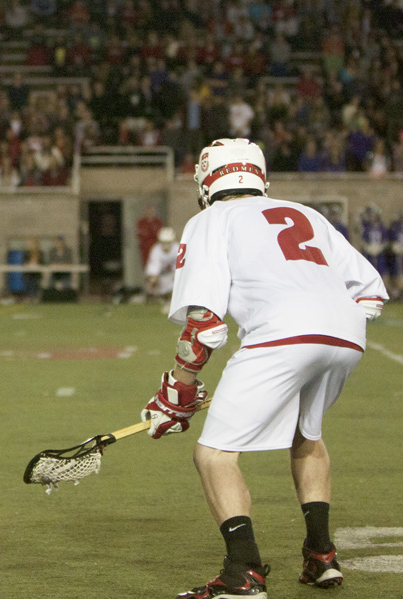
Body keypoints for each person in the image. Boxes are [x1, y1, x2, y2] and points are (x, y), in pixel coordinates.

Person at [141, 139, 387, 599]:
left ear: (206, 181)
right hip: (348, 332)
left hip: (282, 335)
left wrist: (177, 392)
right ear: (260, 178)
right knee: (305, 436)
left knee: (213, 455)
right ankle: (321, 557)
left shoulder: (210, 219)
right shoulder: (307, 213)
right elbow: (370, 293)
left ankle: (243, 572)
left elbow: (205, 324)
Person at [144, 226, 179, 304]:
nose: (166, 245)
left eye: (168, 242)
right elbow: (153, 271)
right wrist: (152, 284)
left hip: (174, 276)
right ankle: (157, 297)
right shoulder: (156, 250)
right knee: (153, 281)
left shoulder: (178, 249)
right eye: (164, 242)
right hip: (162, 276)